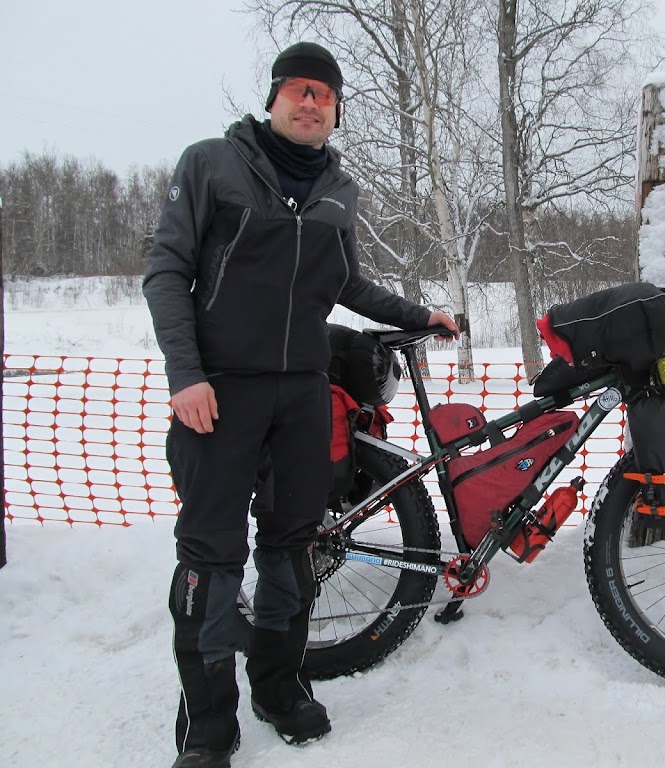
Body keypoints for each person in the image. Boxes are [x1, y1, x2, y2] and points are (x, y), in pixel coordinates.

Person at [143, 41, 459, 768]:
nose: (311, 102)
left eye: (324, 94)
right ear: (275, 97)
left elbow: (348, 281)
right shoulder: (210, 165)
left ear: (337, 110)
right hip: (217, 395)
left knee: (293, 550)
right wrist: (185, 375)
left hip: (301, 398)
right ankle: (206, 727)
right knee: (211, 561)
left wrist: (421, 313)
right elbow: (167, 272)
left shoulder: (337, 191)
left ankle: (279, 688)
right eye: (299, 90)